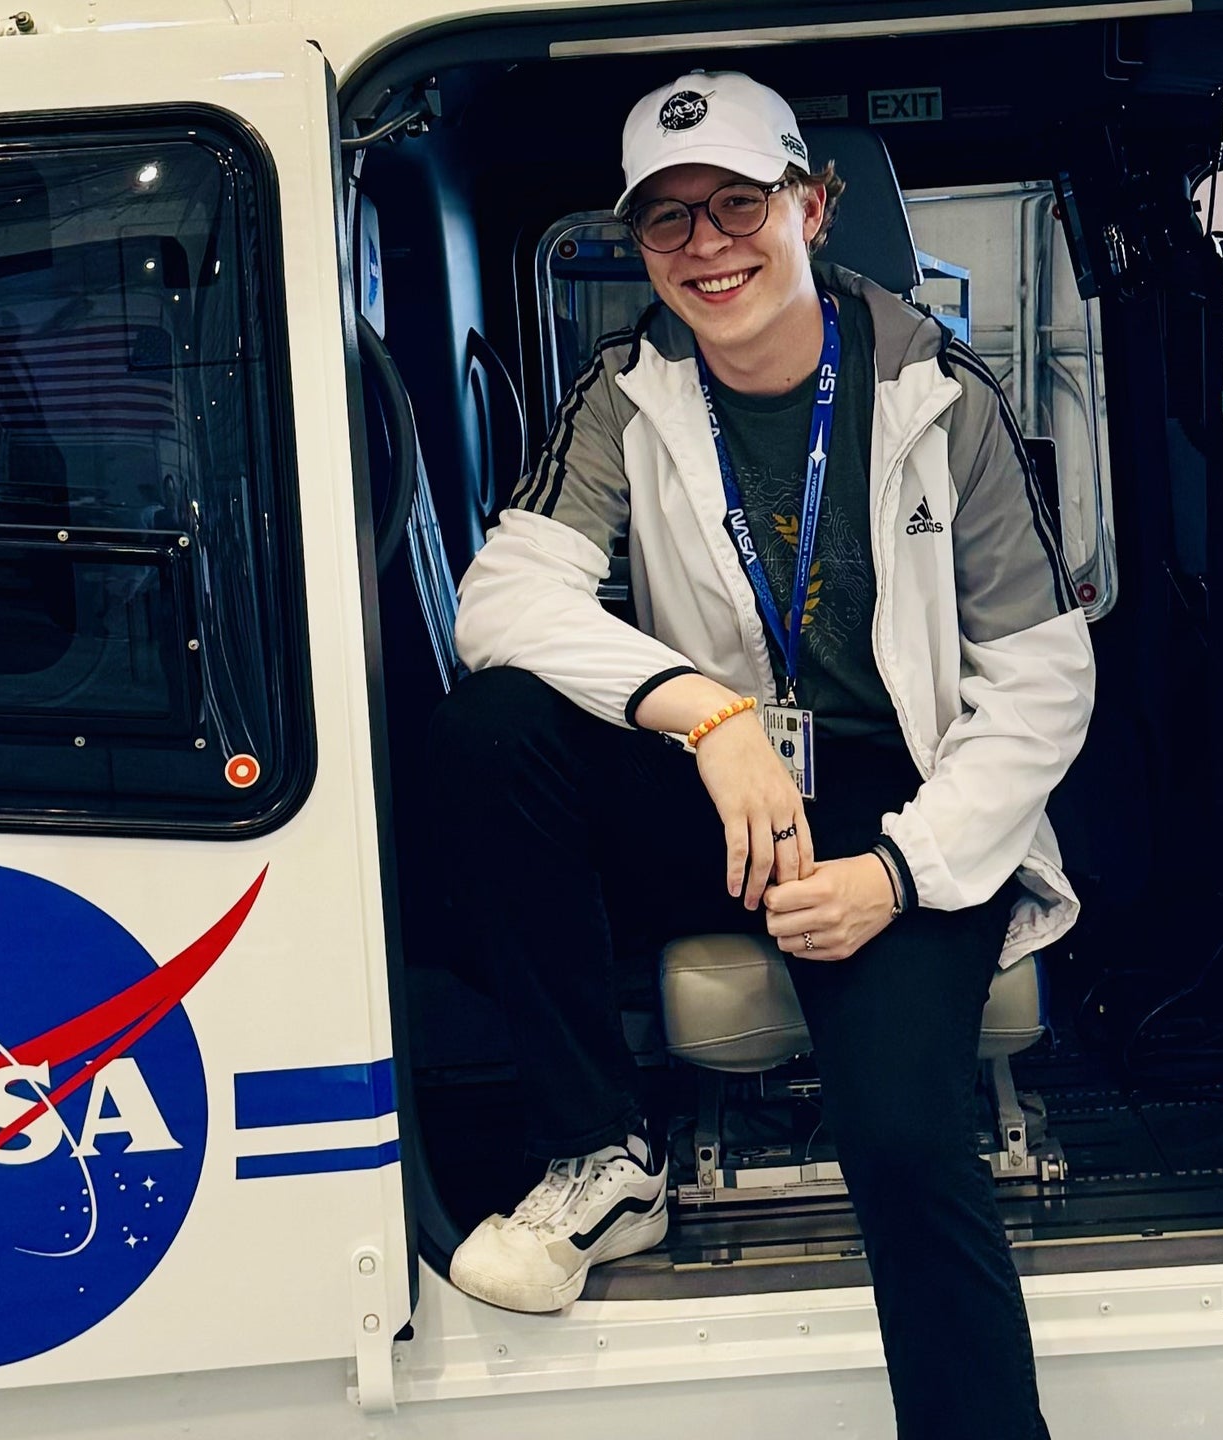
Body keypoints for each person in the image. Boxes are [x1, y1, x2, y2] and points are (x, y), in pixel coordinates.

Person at [426, 70, 1092, 1440]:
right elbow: (500, 602)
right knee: (491, 733)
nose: (708, 246)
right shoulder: (627, 392)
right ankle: (603, 1156)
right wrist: (704, 714)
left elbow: (1042, 682)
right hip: (724, 778)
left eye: (739, 204)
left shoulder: (940, 395)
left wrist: (895, 874)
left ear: (813, 206)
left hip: (899, 798)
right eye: (668, 219)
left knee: (904, 1143)